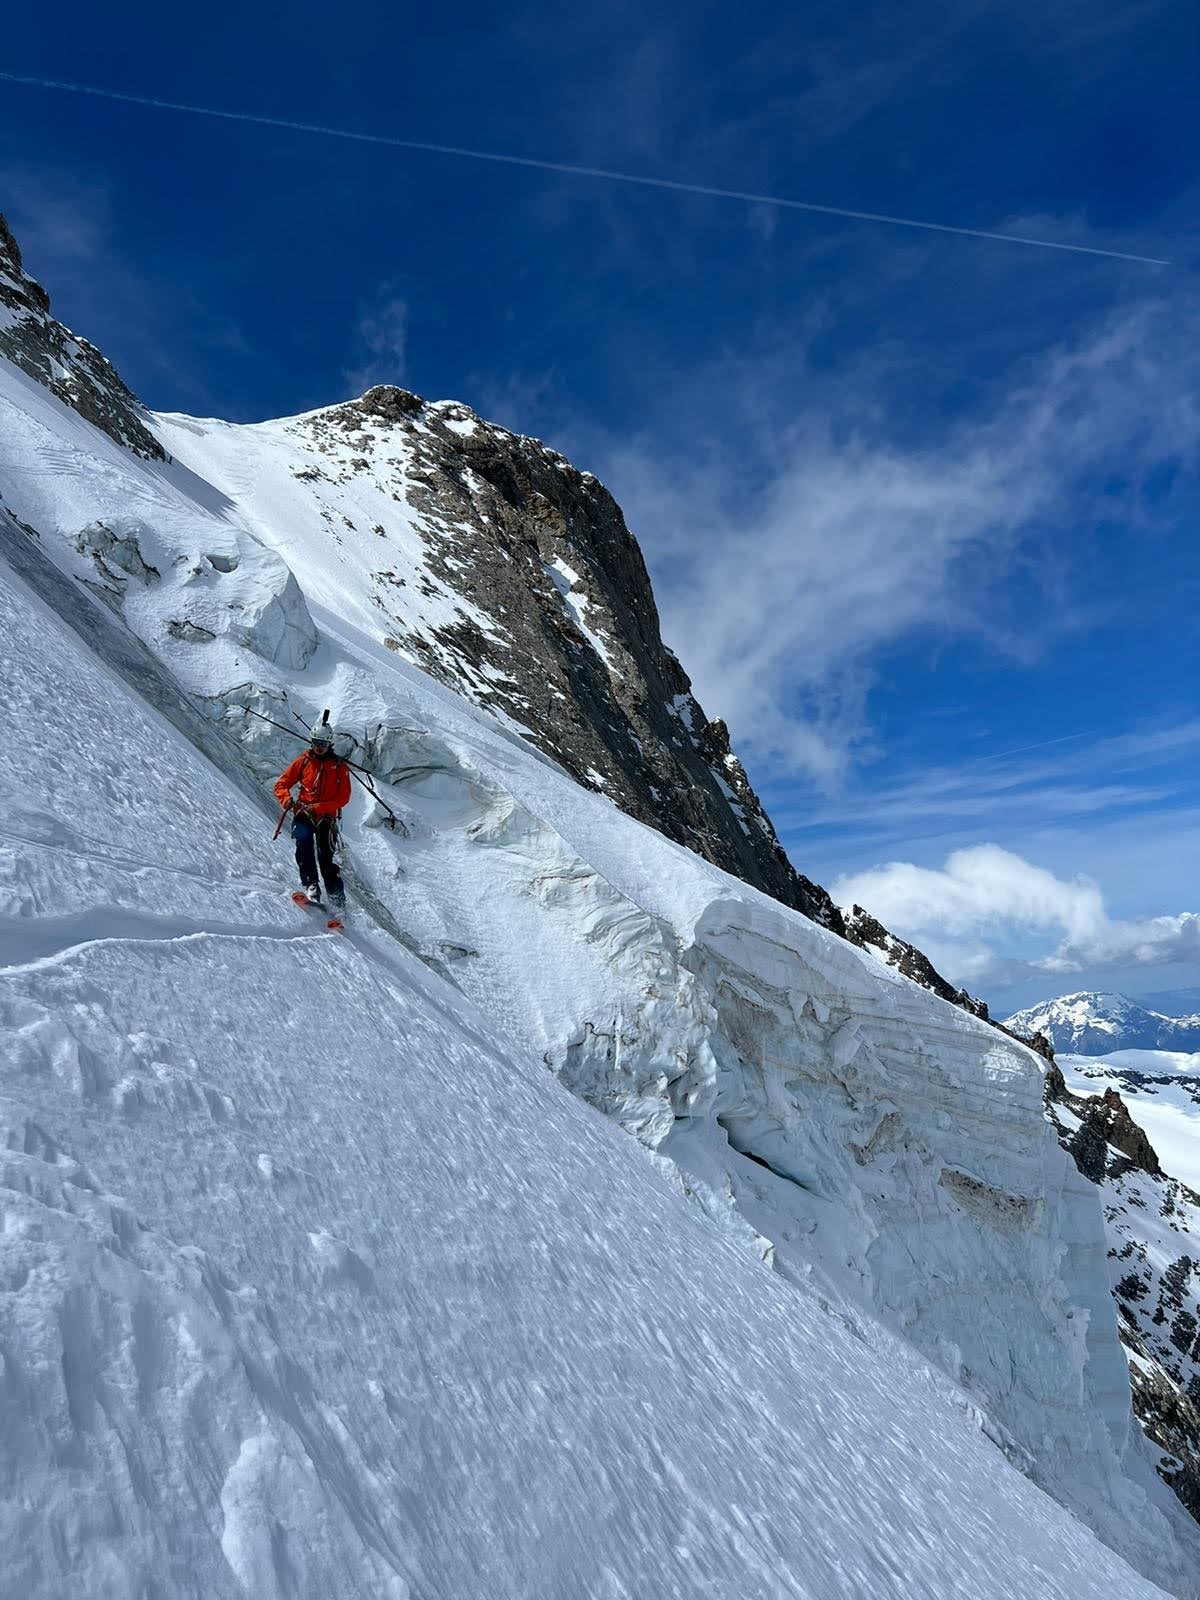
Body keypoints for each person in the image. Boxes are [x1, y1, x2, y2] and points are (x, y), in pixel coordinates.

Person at [274, 725, 352, 908]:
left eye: (323, 743)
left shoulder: (339, 766)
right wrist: (285, 799)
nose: (319, 747)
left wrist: (318, 807)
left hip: (326, 817)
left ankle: (338, 902)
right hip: (303, 813)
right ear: (311, 741)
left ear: (330, 743)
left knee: (326, 858)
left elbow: (343, 798)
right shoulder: (304, 761)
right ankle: (312, 886)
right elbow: (282, 784)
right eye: (317, 742)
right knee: (304, 844)